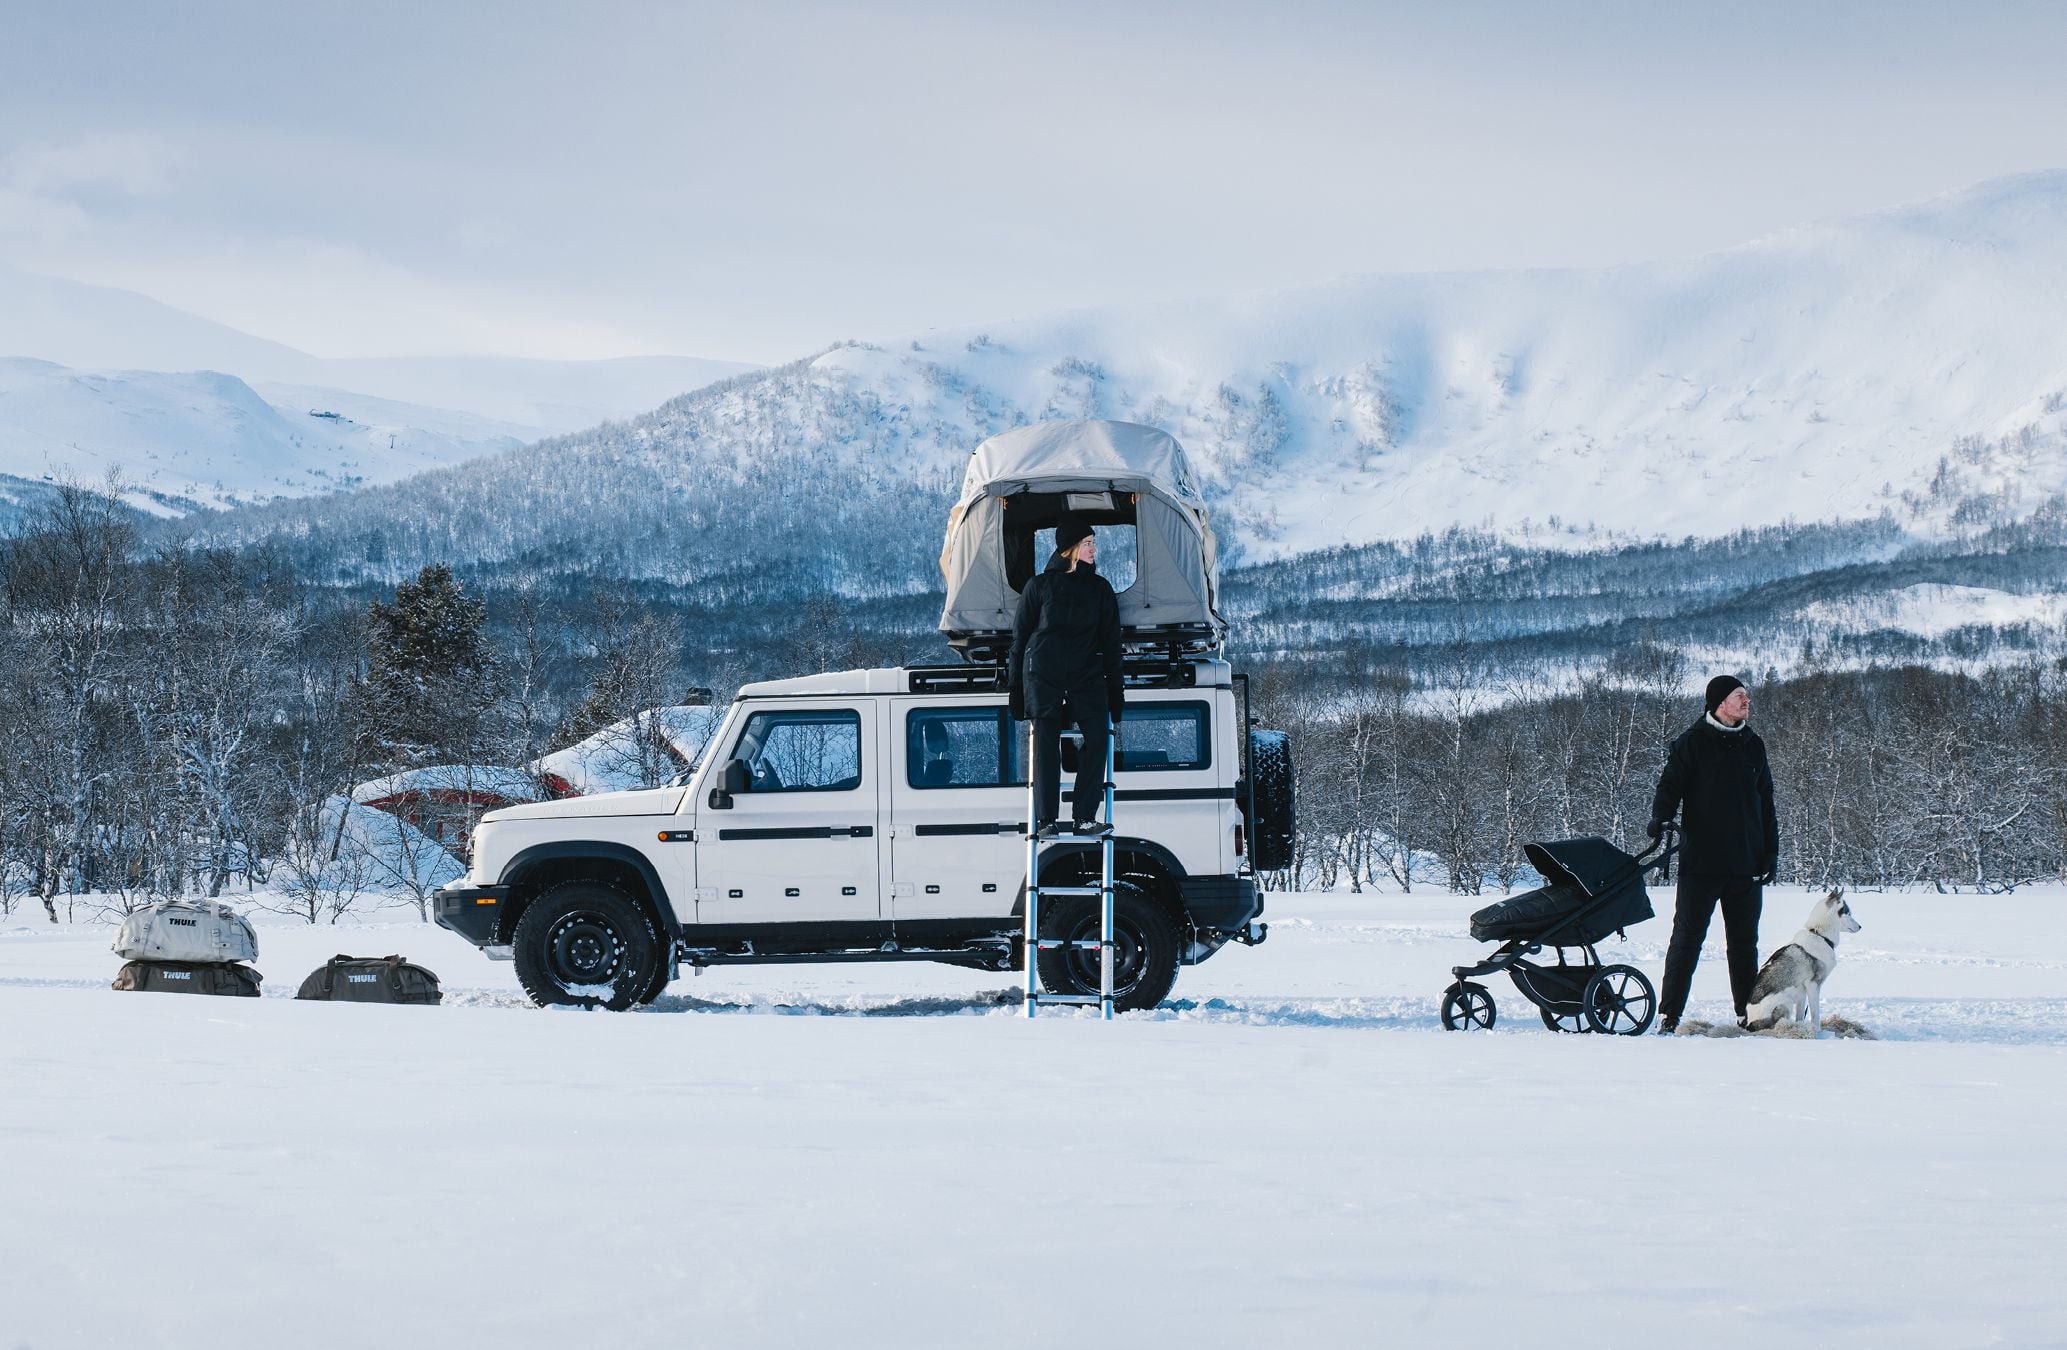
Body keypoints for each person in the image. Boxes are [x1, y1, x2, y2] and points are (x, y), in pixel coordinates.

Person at [1649, 674, 1778, 1034]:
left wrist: (1771, 852)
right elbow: (1670, 786)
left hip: (1746, 862)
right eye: (1740, 696)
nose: (1746, 701)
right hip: (1701, 863)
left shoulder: (1754, 745)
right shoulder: (1691, 744)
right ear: (1719, 702)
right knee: (1686, 940)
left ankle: (1746, 1014)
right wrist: (1660, 818)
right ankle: (1669, 1014)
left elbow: (1766, 803)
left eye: (1746, 696)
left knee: (1743, 945)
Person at [1007, 515, 1124, 836]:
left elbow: (1113, 644)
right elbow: (1019, 640)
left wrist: (1117, 691)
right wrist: (1015, 688)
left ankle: (1084, 817)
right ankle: (1046, 820)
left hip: (1085, 675)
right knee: (1045, 744)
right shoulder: (1039, 586)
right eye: (1087, 543)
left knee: (1099, 738)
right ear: (1069, 549)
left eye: (1093, 543)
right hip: (1043, 673)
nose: (1093, 549)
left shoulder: (1100, 589)